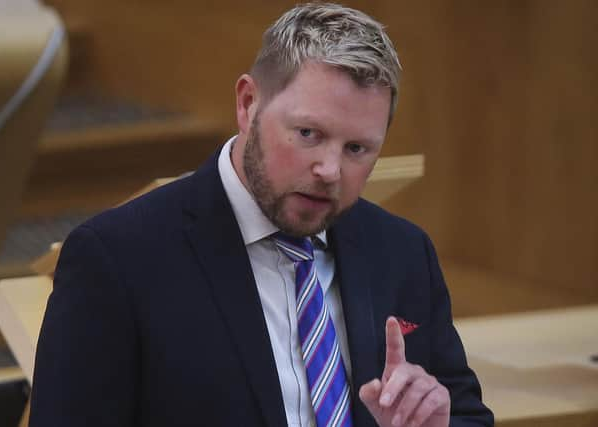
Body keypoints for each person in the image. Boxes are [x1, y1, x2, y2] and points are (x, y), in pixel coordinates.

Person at [30, 3, 493, 427]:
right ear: (248, 104)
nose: (329, 171)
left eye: (357, 149)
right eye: (308, 133)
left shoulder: (403, 253)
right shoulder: (118, 260)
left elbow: (466, 414)